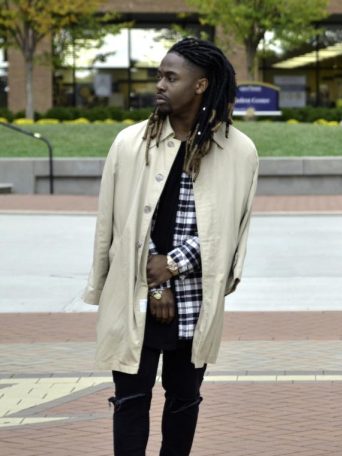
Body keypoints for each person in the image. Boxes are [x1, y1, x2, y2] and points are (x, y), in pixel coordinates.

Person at [83, 37, 259, 454]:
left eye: (170, 77)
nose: (159, 85)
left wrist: (174, 265)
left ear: (200, 85)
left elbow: (228, 232)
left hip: (195, 297)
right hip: (134, 291)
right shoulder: (130, 143)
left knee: (184, 400)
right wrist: (155, 277)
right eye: (159, 76)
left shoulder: (239, 151)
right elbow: (116, 226)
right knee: (129, 398)